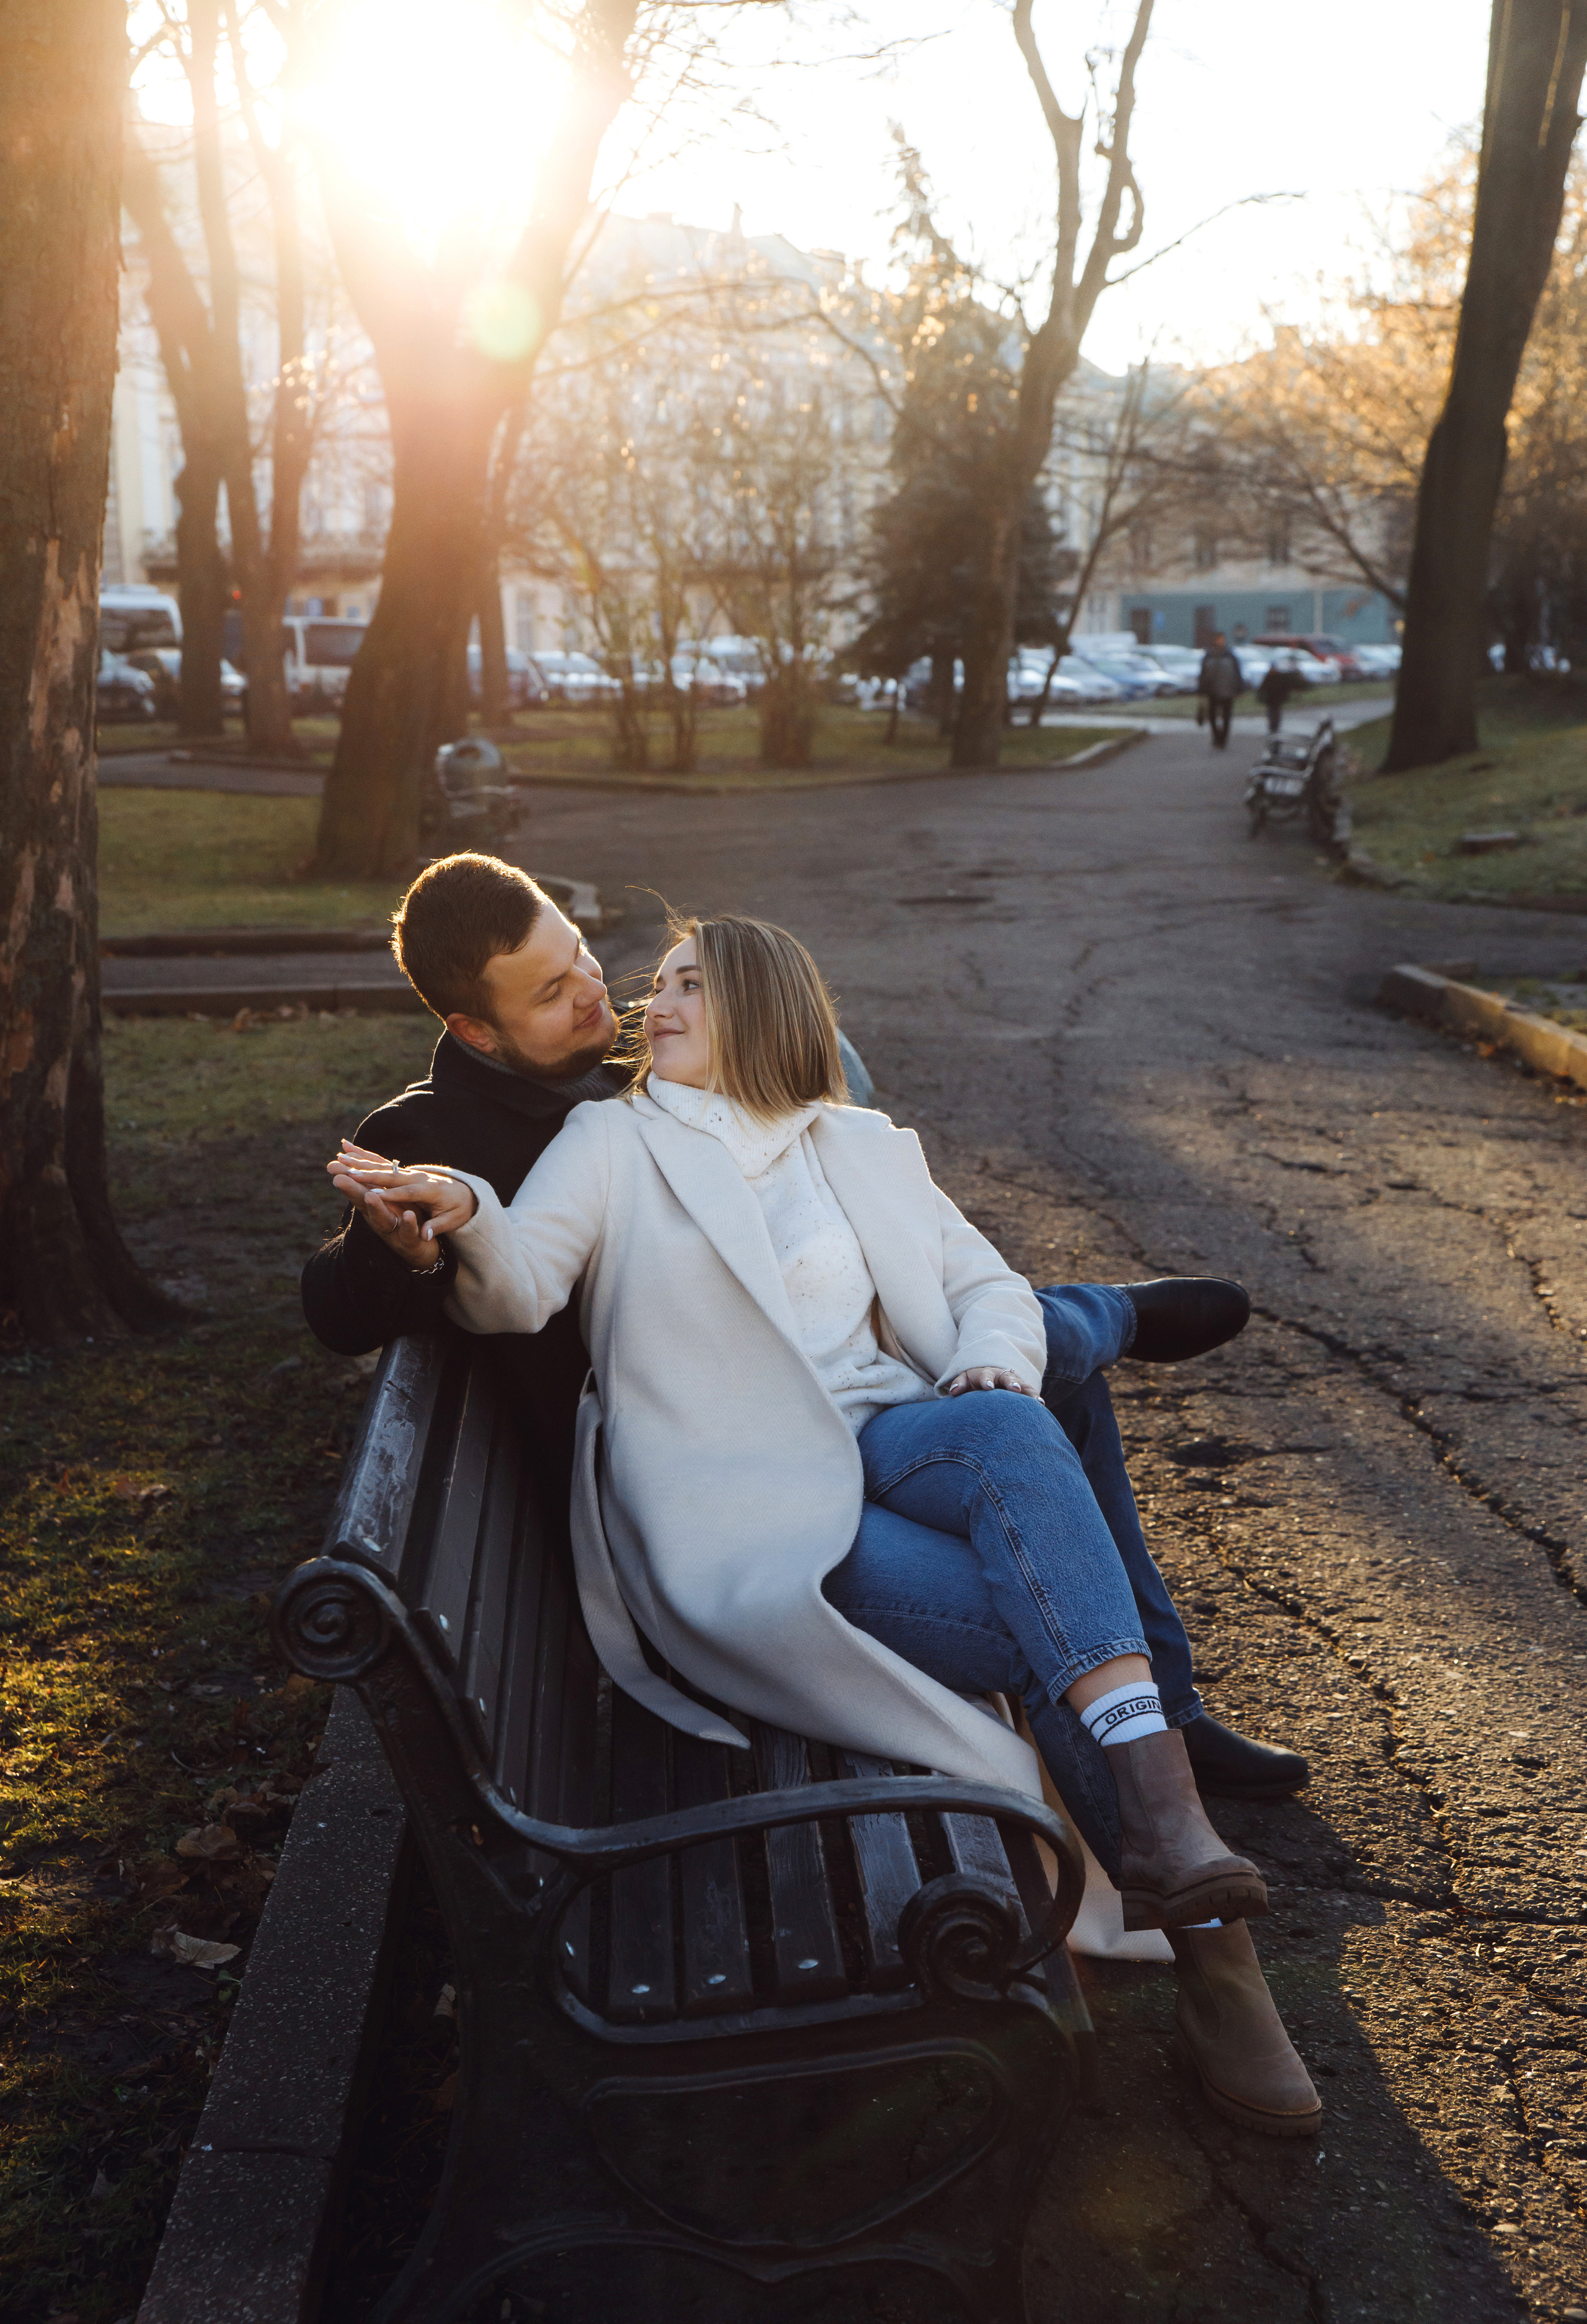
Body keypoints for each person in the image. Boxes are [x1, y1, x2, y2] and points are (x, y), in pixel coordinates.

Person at [330, 906, 1322, 2139]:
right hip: (762, 1516)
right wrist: (465, 1211)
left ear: (756, 1005)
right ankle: (1214, 1946)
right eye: (660, 984)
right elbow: (520, 1286)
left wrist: (1000, 1356)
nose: (654, 1004)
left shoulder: (854, 1141)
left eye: (687, 984)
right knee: (1045, 1623)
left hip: (903, 1443)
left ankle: (1171, 1843)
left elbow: (978, 1286)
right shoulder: (611, 1141)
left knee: (1017, 1424)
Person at [303, 855, 1306, 1803]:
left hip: (812, 1377)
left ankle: (1165, 1713)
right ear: (481, 1032)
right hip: (707, 1467)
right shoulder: (437, 1133)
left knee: (1027, 1387)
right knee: (1042, 1394)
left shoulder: (615, 1066)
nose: (597, 992)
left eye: (584, 955)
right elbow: (345, 1306)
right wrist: (422, 1240)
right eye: (554, 989)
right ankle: (1102, 1316)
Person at [1196, 632, 1245, 749]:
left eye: (1222, 639)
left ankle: (1222, 739)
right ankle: (1217, 737)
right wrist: (1202, 689)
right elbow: (1203, 674)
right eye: (1219, 639)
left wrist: (1239, 688)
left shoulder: (1230, 655)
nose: (1220, 641)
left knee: (1227, 717)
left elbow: (1237, 673)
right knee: (1213, 716)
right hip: (1213, 691)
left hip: (1227, 691)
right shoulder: (1209, 655)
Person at [1258, 659, 1296, 734]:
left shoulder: (1274, 676)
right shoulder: (1272, 676)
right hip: (1273, 699)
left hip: (1274, 699)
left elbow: (1263, 687)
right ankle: (1273, 726)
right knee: (1274, 712)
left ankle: (1274, 726)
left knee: (1274, 712)